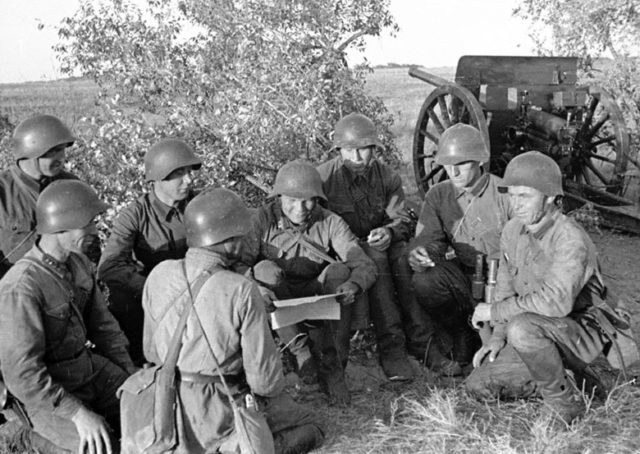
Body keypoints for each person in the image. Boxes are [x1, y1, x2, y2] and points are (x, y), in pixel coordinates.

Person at [141, 187, 324, 454]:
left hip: (165, 401)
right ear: (230, 240)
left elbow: (150, 351)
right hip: (218, 404)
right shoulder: (240, 289)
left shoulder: (159, 274)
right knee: (312, 426)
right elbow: (265, 383)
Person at [465, 151, 636, 426]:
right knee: (479, 385)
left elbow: (555, 303)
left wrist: (494, 311)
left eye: (525, 196)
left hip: (582, 331)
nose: (516, 204)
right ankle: (573, 381)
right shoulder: (512, 231)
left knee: (521, 328)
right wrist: (497, 336)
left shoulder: (569, 238)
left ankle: (565, 404)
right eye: (512, 195)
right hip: (538, 331)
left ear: (549, 198)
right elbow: (506, 292)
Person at [0, 180, 136, 454]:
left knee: (150, 408)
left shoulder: (79, 264)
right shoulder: (22, 286)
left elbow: (105, 329)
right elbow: (23, 374)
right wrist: (78, 414)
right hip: (44, 392)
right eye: (88, 224)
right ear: (61, 226)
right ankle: (23, 435)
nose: (95, 231)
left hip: (86, 370)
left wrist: (131, 378)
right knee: (98, 447)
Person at [240, 160, 377, 405]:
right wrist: (256, 289)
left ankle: (333, 366)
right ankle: (300, 355)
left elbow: (362, 263)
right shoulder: (262, 219)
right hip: (279, 295)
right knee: (264, 271)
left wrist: (353, 285)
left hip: (317, 292)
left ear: (318, 199)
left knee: (338, 271)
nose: (300, 208)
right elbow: (239, 264)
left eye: (308, 200)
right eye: (292, 200)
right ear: (279, 197)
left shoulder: (330, 221)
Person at [317, 112, 415, 381]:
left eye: (364, 150)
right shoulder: (323, 178)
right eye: (350, 151)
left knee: (394, 256)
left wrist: (389, 232)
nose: (357, 158)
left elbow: (401, 219)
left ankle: (396, 348)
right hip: (338, 250)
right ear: (338, 150)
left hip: (376, 246)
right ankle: (386, 347)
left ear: (374, 149)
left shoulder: (388, 177)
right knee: (375, 259)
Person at [407, 123, 510, 374]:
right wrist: (420, 255)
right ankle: (462, 331)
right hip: (466, 279)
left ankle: (497, 341)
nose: (453, 171)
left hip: (506, 282)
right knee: (425, 281)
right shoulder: (438, 195)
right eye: (447, 164)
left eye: (462, 163)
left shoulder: (505, 194)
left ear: (479, 161)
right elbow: (429, 241)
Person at [98, 138, 202, 365]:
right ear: (158, 177)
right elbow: (110, 266)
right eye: (180, 174)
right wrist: (152, 288)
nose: (189, 180)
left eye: (190, 172)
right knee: (122, 297)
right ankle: (139, 362)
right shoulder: (135, 215)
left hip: (199, 289)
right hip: (155, 299)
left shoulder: (199, 205)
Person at [0, 114, 78, 278]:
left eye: (63, 150)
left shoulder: (70, 185)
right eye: (54, 151)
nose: (62, 158)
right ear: (31, 151)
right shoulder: (3, 193)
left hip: (63, 286)